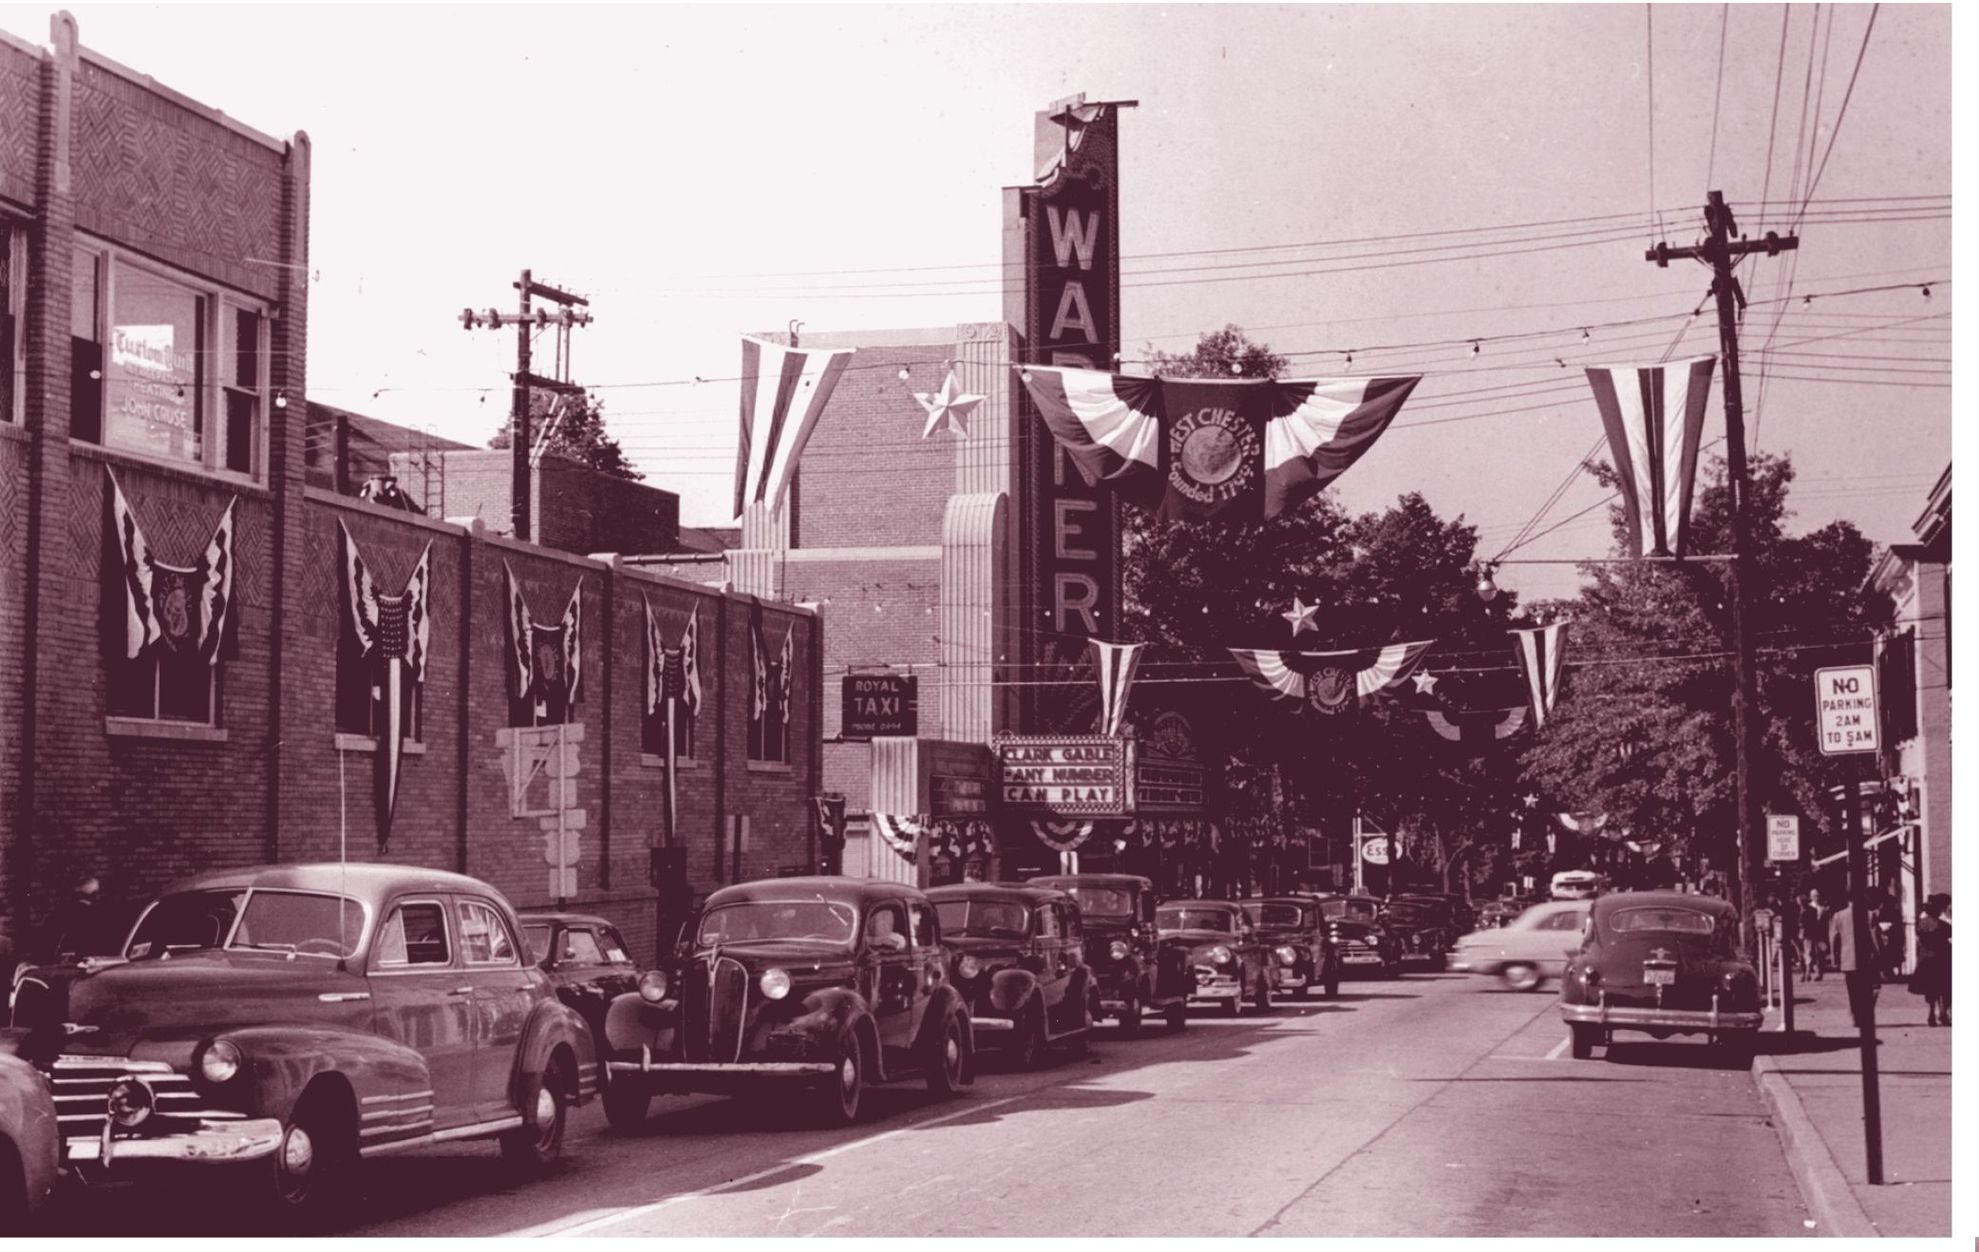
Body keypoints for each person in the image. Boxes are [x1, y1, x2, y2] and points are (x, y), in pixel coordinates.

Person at [1829, 890, 1882, 1030]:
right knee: (1873, 987)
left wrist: (1834, 957)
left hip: (1847, 959)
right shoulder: (1870, 915)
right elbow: (1874, 937)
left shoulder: (1838, 916)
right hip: (1866, 959)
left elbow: (1833, 939)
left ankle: (1855, 1014)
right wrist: (1878, 955)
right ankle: (1865, 1012)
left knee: (1853, 989)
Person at [1909, 893, 1951, 1027]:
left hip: (1926, 959)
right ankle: (1943, 1013)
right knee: (1945, 988)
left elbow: (1920, 940)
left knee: (1930, 989)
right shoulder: (1944, 925)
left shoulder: (1922, 923)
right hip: (1942, 958)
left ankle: (1931, 1013)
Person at [1801, 888, 1829, 981]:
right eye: (1814, 896)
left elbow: (1825, 922)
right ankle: (1808, 972)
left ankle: (1818, 973)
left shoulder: (1822, 908)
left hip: (1819, 934)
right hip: (1810, 934)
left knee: (1819, 954)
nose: (1816, 897)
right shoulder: (1807, 908)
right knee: (1808, 953)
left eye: (1817, 896)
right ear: (1811, 897)